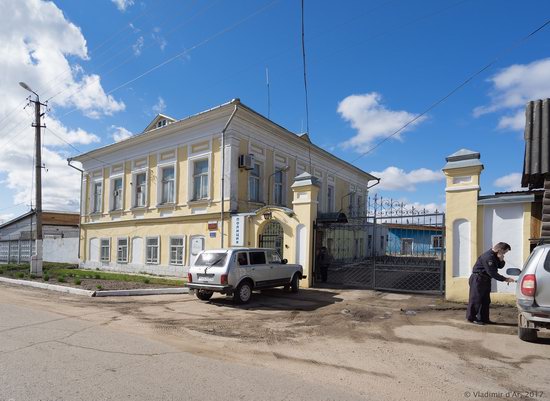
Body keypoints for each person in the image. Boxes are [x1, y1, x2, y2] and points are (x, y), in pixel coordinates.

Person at [466, 242, 515, 325]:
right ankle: (471, 318)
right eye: (504, 252)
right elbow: (492, 272)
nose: (504, 254)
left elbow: (500, 266)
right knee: (476, 299)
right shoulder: (488, 257)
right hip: (478, 279)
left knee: (486, 300)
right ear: (500, 250)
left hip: (485, 280)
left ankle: (484, 318)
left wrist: (501, 259)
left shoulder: (495, 256)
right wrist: (505, 279)